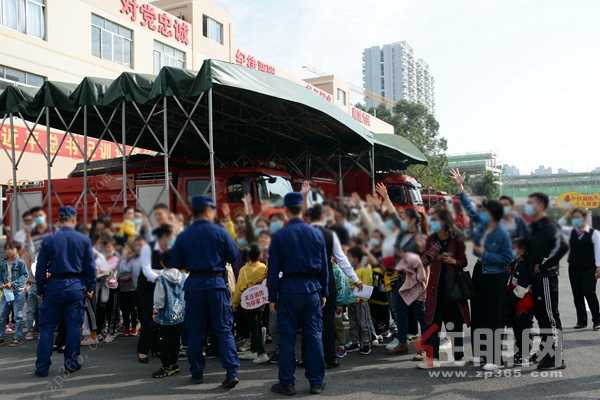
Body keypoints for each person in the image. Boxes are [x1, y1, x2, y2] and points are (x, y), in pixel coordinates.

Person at [170, 195, 240, 388]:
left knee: (195, 331)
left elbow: (174, 261)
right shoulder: (220, 231)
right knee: (223, 329)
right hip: (216, 284)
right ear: (209, 211)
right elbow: (233, 255)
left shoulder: (184, 235)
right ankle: (231, 372)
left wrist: (191, 263)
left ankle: (197, 372)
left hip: (194, 285)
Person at [451, 168, 513, 371]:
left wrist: (484, 254)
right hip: (480, 273)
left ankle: (495, 358)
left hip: (495, 276)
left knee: (494, 316)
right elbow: (468, 207)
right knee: (478, 315)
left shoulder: (502, 233)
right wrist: (460, 187)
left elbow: (508, 257)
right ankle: (479, 354)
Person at [268, 192, 328, 396]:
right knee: (313, 336)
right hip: (311, 288)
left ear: (285, 210)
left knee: (287, 337)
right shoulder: (316, 233)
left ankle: (287, 382)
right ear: (303, 209)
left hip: (288, 289)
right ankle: (316, 382)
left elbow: (273, 269)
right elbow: (324, 267)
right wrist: (324, 290)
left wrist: (272, 297)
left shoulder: (279, 235)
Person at [34, 206, 96, 377]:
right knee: (73, 327)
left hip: (54, 285)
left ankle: (42, 367)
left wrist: (40, 288)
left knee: (47, 328)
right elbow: (90, 267)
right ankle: (71, 363)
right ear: (74, 220)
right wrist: (90, 287)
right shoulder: (84, 240)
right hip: (75, 286)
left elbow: (40, 268)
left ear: (60, 220)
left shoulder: (49, 239)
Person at [418, 208, 470, 369]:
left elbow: (464, 261)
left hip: (452, 287)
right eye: (432, 219)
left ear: (445, 221)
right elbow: (424, 261)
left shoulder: (456, 239)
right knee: (433, 324)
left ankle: (459, 357)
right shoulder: (431, 239)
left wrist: (453, 261)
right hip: (435, 288)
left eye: (436, 219)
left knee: (454, 324)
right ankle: (432, 360)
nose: (433, 222)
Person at [524, 192, 569, 370]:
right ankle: (546, 351)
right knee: (541, 316)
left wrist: (544, 264)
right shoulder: (535, 226)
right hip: (535, 278)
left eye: (531, 203)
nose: (528, 206)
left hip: (545, 278)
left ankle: (556, 357)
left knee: (550, 317)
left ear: (541, 206)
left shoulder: (549, 225)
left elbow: (562, 246)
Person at [558, 208, 600, 330]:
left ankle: (597, 320)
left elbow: (598, 250)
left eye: (578, 217)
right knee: (577, 295)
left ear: (585, 218)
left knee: (589, 292)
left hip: (589, 267)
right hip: (574, 267)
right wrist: (566, 213)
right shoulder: (572, 232)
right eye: (574, 218)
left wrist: (599, 266)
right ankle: (581, 320)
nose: (576, 220)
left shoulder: (594, 233)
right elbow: (558, 226)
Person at [137, 224, 173, 363]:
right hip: (146, 286)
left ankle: (157, 347)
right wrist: (161, 276)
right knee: (149, 316)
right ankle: (142, 350)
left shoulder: (169, 248)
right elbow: (146, 270)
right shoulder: (148, 248)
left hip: (162, 285)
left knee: (162, 316)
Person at [152, 249, 187, 378]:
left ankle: (166, 366)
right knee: (176, 340)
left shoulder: (162, 279)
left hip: (165, 316)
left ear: (162, 263)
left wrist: (155, 311)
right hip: (179, 314)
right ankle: (174, 363)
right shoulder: (183, 276)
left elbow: (159, 300)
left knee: (165, 342)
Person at [233, 243, 270, 364]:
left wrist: (235, 304)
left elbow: (239, 288)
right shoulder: (263, 268)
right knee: (258, 325)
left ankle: (262, 353)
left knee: (253, 328)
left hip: (249, 303)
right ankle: (254, 351)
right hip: (261, 302)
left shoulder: (244, 269)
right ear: (260, 256)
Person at [506, 238, 534, 366]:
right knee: (517, 329)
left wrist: (509, 301)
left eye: (513, 248)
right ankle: (520, 351)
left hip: (522, 304)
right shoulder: (515, 264)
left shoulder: (523, 267)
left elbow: (521, 289)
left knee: (522, 329)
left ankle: (524, 353)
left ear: (522, 251)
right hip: (516, 304)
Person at [344, 246, 373, 355]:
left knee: (363, 322)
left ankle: (366, 343)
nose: (348, 259)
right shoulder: (351, 270)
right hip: (351, 300)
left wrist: (360, 297)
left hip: (361, 301)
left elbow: (366, 284)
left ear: (356, 258)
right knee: (353, 322)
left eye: (349, 257)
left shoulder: (364, 269)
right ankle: (355, 342)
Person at [0, 241, 28, 346]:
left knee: (18, 316)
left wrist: (12, 284)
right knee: (2, 315)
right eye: (7, 249)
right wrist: (2, 284)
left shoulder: (21, 263)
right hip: (6, 293)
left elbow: (25, 276)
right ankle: (1, 337)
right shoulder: (3, 263)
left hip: (17, 291)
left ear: (17, 250)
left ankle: (18, 337)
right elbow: (0, 276)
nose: (9, 251)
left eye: (11, 249)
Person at [119, 236, 145, 336]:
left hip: (134, 289)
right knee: (125, 310)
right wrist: (128, 276)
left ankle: (134, 327)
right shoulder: (123, 264)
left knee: (134, 311)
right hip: (124, 290)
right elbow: (119, 277)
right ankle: (126, 327)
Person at [95, 238, 120, 343]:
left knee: (112, 311)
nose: (107, 249)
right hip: (102, 287)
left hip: (112, 288)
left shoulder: (116, 259)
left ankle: (111, 332)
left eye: (109, 247)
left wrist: (100, 269)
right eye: (106, 247)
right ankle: (99, 332)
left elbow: (109, 268)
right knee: (101, 310)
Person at [332, 258, 356, 358]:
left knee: (338, 325)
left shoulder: (338, 271)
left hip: (336, 303)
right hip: (326, 304)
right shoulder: (325, 269)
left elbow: (343, 288)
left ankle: (341, 346)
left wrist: (339, 303)